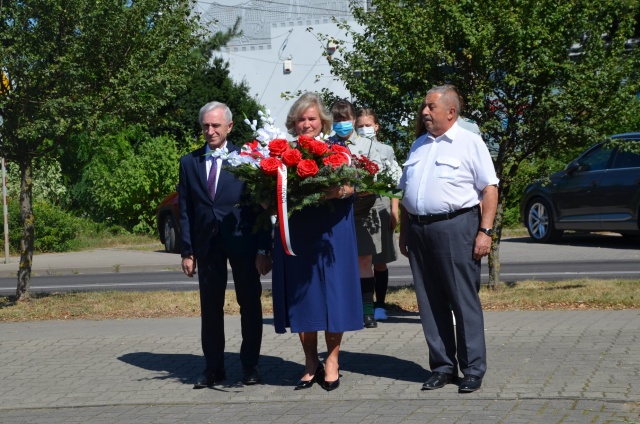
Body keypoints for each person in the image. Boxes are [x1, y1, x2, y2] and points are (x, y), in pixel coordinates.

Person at [398, 85, 499, 393]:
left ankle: (472, 369)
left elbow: (489, 189)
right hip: (419, 230)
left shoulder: (469, 142)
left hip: (456, 227)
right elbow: (406, 192)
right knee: (430, 302)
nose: (424, 112)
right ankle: (442, 367)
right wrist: (405, 231)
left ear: (451, 112)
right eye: (424, 107)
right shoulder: (419, 145)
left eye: (431, 107)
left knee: (462, 300)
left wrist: (485, 231)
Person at [178, 101, 273, 389]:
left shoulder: (247, 160)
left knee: (249, 303)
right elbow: (185, 209)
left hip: (243, 242)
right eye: (206, 126)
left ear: (229, 127)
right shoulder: (189, 162)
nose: (210, 131)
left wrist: (263, 249)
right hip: (207, 245)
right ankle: (213, 368)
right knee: (210, 307)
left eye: (216, 125)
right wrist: (187, 251)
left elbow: (260, 209)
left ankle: (250, 365)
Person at [271, 92, 362, 391]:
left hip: (332, 232)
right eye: (301, 119)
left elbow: (353, 186)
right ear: (293, 123)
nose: (306, 124)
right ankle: (311, 362)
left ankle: (332, 360)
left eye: (312, 118)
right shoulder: (284, 155)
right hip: (298, 234)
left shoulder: (338, 151)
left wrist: (339, 191)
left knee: (333, 297)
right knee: (304, 298)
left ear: (322, 121)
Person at [329, 100, 385, 329]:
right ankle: (343, 308)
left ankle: (367, 311)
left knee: (364, 260)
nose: (341, 124)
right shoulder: (327, 145)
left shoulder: (367, 145)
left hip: (364, 208)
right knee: (338, 261)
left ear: (353, 119)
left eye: (345, 119)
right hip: (336, 210)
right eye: (337, 120)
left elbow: (378, 172)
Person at [355, 108, 400, 322]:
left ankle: (380, 304)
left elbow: (394, 181)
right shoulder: (352, 148)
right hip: (359, 207)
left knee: (380, 260)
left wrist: (394, 209)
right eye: (360, 126)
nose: (364, 129)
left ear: (376, 126)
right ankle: (363, 305)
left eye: (368, 125)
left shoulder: (386, 149)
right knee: (362, 259)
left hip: (381, 206)